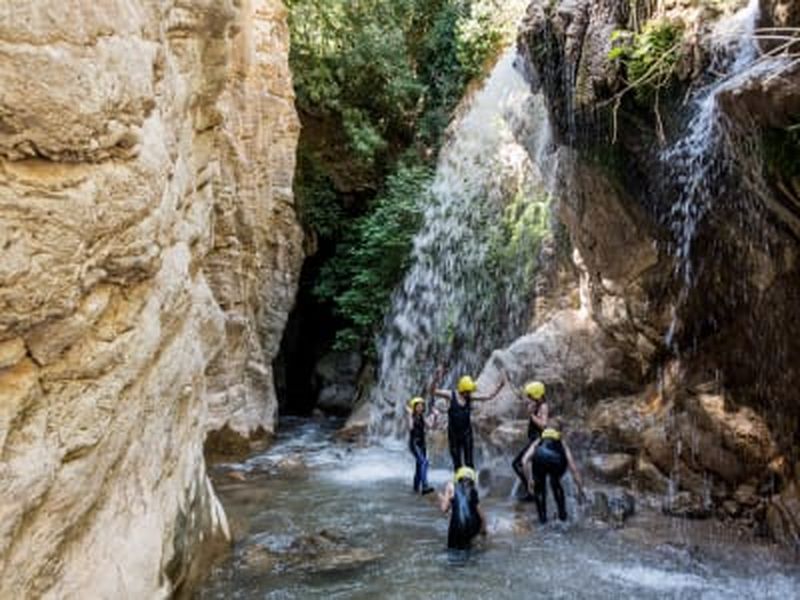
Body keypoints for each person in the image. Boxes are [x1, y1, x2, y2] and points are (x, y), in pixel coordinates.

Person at [430, 367, 504, 470]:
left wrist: (499, 387)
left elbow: (488, 397)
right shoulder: (451, 395)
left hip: (466, 434)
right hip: (453, 434)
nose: (469, 394)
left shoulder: (470, 397)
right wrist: (436, 378)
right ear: (462, 390)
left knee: (469, 461)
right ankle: (459, 482)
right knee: (457, 462)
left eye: (470, 392)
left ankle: (470, 483)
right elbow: (433, 391)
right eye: (467, 392)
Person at [522, 418, 586, 524]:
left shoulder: (539, 440)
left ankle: (542, 520)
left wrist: (529, 480)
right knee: (555, 482)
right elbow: (573, 468)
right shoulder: (562, 442)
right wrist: (580, 489)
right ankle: (562, 517)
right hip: (558, 460)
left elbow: (524, 460)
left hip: (539, 457)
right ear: (560, 431)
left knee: (539, 487)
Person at [506, 374, 549, 500]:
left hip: (538, 439)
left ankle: (532, 491)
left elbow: (543, 425)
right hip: (532, 439)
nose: (528, 398)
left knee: (520, 463)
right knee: (518, 464)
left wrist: (531, 415)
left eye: (530, 396)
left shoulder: (543, 406)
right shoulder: (535, 404)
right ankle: (532, 491)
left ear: (537, 395)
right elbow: (522, 398)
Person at [438, 466, 487, 550]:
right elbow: (482, 516)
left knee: (452, 554)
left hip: (455, 529)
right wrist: (483, 531)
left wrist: (441, 498)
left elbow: (444, 509)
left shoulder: (450, 486)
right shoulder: (474, 491)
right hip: (470, 529)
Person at [406, 396, 438, 495]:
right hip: (414, 443)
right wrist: (409, 415)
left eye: (421, 406)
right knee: (424, 462)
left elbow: (431, 426)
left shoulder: (422, 417)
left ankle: (415, 488)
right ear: (414, 407)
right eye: (418, 406)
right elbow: (410, 427)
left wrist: (435, 416)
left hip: (422, 444)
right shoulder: (411, 417)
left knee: (419, 466)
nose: (420, 407)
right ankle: (425, 486)